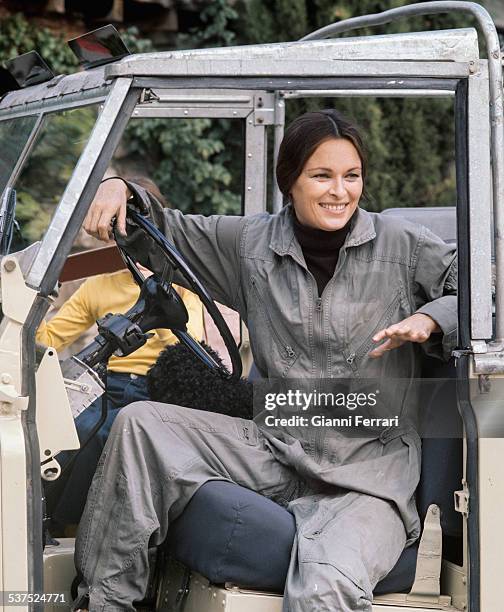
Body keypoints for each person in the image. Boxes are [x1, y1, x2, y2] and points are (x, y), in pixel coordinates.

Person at [73, 110, 457, 611]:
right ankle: (106, 604)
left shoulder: (403, 246)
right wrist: (118, 185)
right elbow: (160, 233)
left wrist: (431, 319)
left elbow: (479, 288)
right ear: (289, 182)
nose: (340, 191)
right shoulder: (250, 244)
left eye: (352, 176)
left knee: (322, 591)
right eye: (322, 176)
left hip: (366, 473)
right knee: (140, 424)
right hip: (276, 445)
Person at [37, 177, 205, 530]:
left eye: (143, 231)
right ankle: (41, 519)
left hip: (156, 392)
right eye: (124, 232)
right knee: (61, 431)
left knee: (104, 434)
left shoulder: (180, 287)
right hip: (103, 383)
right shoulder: (99, 286)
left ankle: (69, 525)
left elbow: (196, 347)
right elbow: (48, 337)